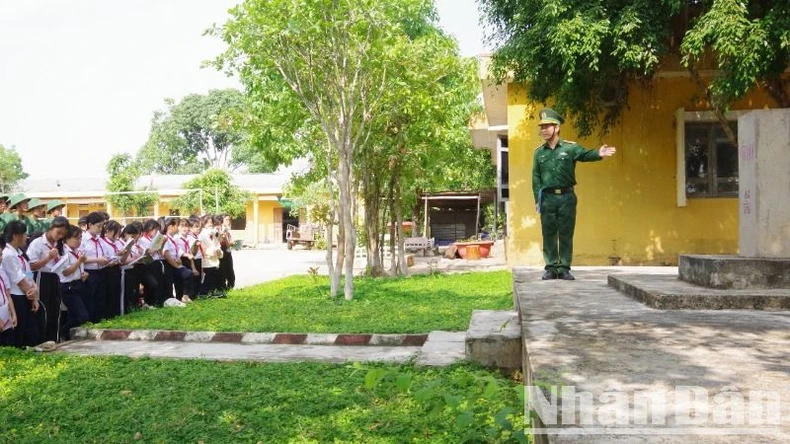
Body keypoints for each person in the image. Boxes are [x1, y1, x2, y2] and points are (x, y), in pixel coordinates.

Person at [532, 108, 617, 281]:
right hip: (547, 198)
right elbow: (536, 178)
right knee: (548, 233)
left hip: (567, 198)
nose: (543, 130)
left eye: (547, 126)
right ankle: (550, 268)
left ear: (557, 128)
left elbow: (585, 154)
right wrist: (537, 200)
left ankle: (563, 268)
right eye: (541, 127)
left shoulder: (570, 148)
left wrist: (598, 154)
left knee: (565, 232)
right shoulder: (538, 153)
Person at [26, 216, 68, 341]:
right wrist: (48, 258)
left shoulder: (58, 245)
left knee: (55, 309)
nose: (59, 236)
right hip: (41, 277)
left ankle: (53, 339)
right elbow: (31, 266)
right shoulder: (37, 243)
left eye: (62, 234)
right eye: (58, 232)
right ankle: (41, 339)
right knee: (44, 308)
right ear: (51, 228)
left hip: (55, 276)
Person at [2, 220, 41, 347]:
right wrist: (32, 294)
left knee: (30, 331)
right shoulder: (8, 254)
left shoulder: (20, 253)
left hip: (27, 294)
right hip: (17, 296)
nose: (27, 237)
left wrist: (34, 289)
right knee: (20, 331)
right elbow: (18, 279)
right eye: (24, 234)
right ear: (15, 236)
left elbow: (28, 274)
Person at [57, 225, 89, 340]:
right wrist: (79, 261)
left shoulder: (77, 251)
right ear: (67, 238)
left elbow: (79, 268)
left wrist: (83, 273)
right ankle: (62, 331)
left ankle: (67, 336)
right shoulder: (63, 252)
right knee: (82, 315)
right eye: (76, 238)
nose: (79, 241)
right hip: (68, 286)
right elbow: (65, 272)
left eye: (80, 238)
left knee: (74, 314)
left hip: (78, 283)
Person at [218, 215, 235, 290]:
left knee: (230, 270)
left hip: (228, 251)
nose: (228, 221)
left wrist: (231, 242)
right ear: (222, 220)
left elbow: (230, 240)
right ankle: (223, 287)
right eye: (226, 219)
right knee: (223, 270)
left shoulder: (227, 229)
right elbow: (221, 242)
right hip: (222, 250)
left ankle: (230, 286)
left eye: (229, 220)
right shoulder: (219, 229)